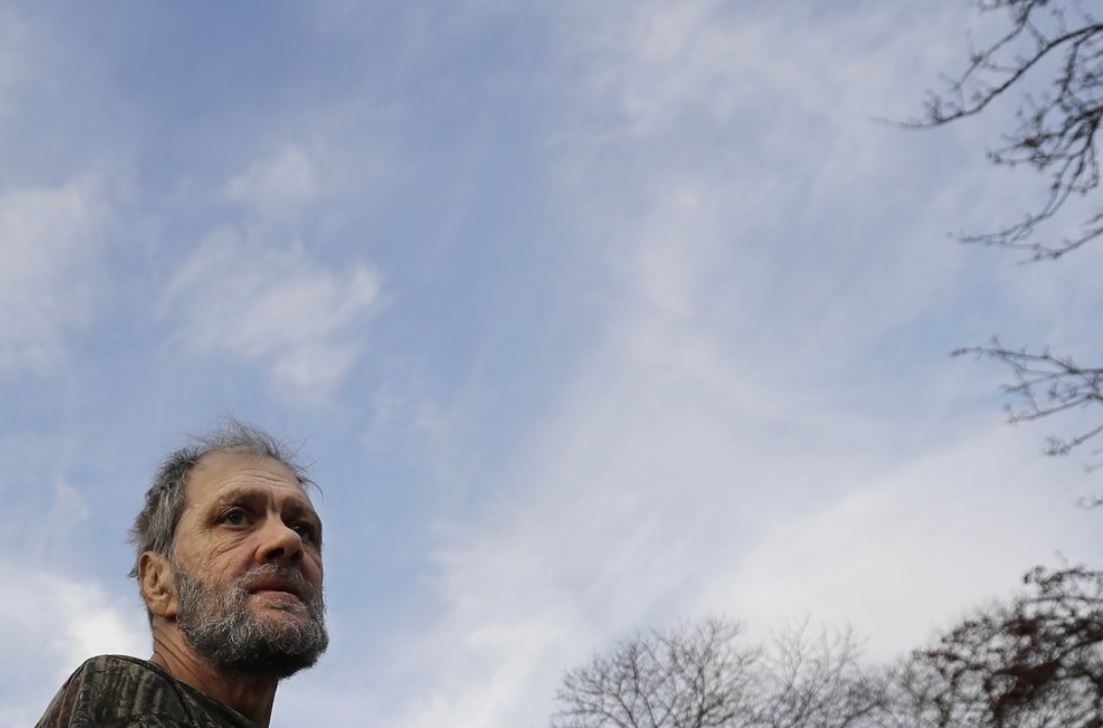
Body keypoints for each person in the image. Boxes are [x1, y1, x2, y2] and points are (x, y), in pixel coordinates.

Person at [36, 422, 329, 728]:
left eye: (302, 529)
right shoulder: (127, 691)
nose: (288, 540)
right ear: (158, 582)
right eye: (236, 517)